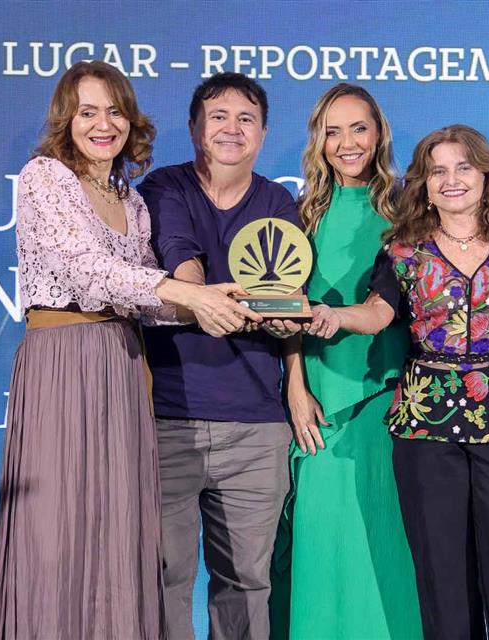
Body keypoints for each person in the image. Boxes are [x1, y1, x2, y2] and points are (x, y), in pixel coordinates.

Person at [0, 61, 261, 640]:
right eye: (87, 112)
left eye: (114, 111)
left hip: (123, 364)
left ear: (131, 120)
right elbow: (85, 271)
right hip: (64, 363)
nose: (103, 124)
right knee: (57, 530)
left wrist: (215, 302)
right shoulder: (45, 177)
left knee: (116, 530)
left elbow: (143, 300)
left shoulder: (130, 200)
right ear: (67, 119)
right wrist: (187, 292)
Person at [306, 124, 489, 640]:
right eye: (437, 171)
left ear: (486, 175)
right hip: (426, 429)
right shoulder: (403, 250)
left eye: (463, 167)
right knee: (443, 578)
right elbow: (378, 314)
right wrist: (334, 316)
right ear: (423, 184)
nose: (452, 180)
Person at [137, 72, 300, 640]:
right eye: (218, 117)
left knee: (248, 582)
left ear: (263, 133)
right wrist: (200, 298)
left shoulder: (277, 201)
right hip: (167, 420)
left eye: (246, 118)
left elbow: (288, 293)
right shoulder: (164, 187)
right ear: (193, 129)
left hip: (255, 425)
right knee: (163, 577)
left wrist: (287, 321)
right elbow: (179, 254)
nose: (232, 129)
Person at [273, 84, 422, 639]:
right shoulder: (300, 214)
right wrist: (295, 385)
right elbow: (286, 308)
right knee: (323, 544)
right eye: (332, 132)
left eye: (358, 128)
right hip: (317, 401)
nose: (347, 143)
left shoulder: (410, 212)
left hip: (390, 399)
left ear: (378, 133)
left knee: (386, 543)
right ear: (319, 141)